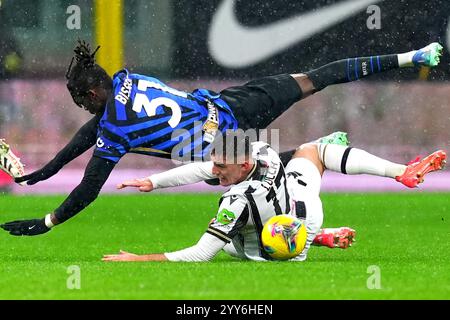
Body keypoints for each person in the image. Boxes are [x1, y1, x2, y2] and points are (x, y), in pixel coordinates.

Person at [0, 40, 444, 236]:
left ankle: (318, 164)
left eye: (81, 98)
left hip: (223, 153)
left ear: (92, 92)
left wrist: (49, 221)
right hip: (235, 104)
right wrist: (45, 171)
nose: (82, 106)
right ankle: (413, 56)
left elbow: (89, 187)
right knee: (317, 78)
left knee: (250, 208)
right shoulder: (124, 79)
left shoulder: (114, 126)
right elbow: (90, 130)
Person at [102, 132, 446, 262]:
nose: (216, 172)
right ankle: (400, 171)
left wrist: (139, 259)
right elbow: (202, 170)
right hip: (303, 209)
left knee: (223, 242)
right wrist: (153, 182)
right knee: (314, 150)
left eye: (223, 167)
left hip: (275, 247)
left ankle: (308, 243)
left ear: (243, 164)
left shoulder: (235, 200)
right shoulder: (264, 152)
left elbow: (199, 254)